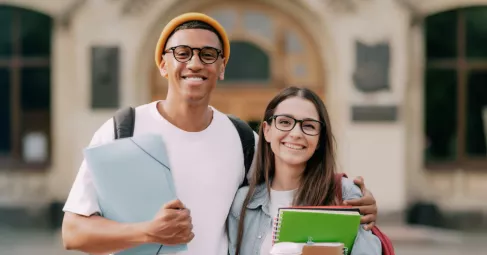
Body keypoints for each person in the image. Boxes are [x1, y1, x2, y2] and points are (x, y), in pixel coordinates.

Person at [61, 12, 378, 255]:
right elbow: (73, 233)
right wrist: (147, 232)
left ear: (222, 67)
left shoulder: (242, 139)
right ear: (162, 64)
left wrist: (351, 198)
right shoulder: (123, 130)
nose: (195, 63)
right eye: (182, 53)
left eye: (208, 54)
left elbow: (290, 180)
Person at [227, 87, 382, 255]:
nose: (296, 133)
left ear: (320, 138)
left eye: (308, 126)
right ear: (267, 130)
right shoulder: (243, 202)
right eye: (285, 122)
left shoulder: (345, 194)